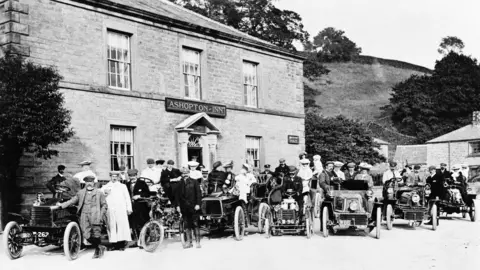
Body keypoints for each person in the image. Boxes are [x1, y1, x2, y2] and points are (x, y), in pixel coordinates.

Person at [55, 176, 107, 259]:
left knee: (96, 233)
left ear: (94, 183)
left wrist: (101, 215)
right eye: (87, 182)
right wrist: (61, 205)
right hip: (84, 215)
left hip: (95, 214)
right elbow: (72, 201)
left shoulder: (99, 193)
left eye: (91, 182)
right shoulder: (81, 193)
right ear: (85, 183)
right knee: (85, 234)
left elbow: (104, 205)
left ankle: (97, 249)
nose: (89, 184)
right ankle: (100, 246)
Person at [101, 172, 132, 251]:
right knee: (112, 226)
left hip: (121, 209)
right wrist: (105, 192)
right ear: (110, 177)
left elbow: (127, 198)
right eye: (112, 176)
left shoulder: (122, 186)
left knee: (121, 226)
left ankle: (122, 244)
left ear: (118, 177)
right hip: (110, 209)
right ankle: (113, 244)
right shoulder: (105, 186)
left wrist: (129, 208)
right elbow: (101, 196)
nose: (114, 178)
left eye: (116, 177)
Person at [176, 167, 202, 249]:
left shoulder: (194, 182)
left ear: (189, 173)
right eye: (183, 174)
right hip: (184, 207)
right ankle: (189, 242)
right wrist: (177, 206)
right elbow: (177, 196)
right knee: (186, 225)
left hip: (193, 206)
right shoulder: (179, 183)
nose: (185, 175)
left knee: (195, 224)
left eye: (186, 173)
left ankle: (198, 242)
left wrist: (198, 204)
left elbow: (198, 194)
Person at [126, 169, 150, 244]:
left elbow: (147, 193)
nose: (132, 177)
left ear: (136, 175)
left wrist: (139, 196)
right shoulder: (126, 184)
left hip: (141, 206)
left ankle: (144, 240)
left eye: (133, 176)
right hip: (131, 207)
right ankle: (137, 241)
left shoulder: (142, 183)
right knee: (133, 224)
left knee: (142, 223)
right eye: (130, 176)